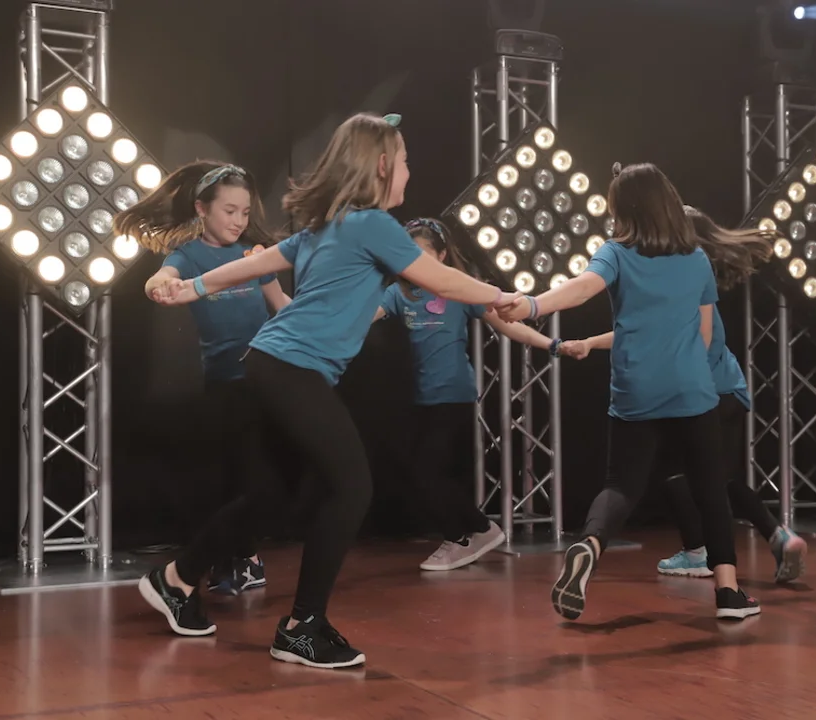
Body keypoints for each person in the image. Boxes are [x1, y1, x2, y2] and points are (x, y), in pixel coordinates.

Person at [138, 113, 520, 669]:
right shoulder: (372, 225)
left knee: (272, 497)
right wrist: (502, 295)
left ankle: (176, 579)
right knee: (351, 487)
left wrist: (193, 286)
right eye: (405, 160)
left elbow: (258, 263)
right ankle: (302, 627)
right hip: (290, 368)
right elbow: (438, 278)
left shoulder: (330, 226)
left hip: (269, 363)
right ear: (382, 165)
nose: (410, 171)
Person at [499, 163, 761, 620]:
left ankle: (590, 544)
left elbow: (582, 289)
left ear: (624, 210)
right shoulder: (696, 258)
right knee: (709, 490)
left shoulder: (616, 254)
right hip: (691, 390)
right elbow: (704, 336)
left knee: (621, 486)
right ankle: (728, 593)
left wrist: (533, 304)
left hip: (636, 390)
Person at [562, 206, 807, 584]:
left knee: (674, 473)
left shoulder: (681, 284)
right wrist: (591, 343)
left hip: (698, 396)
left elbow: (646, 334)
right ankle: (778, 535)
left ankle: (698, 552)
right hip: (730, 390)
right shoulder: (694, 281)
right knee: (718, 479)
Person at [115, 161, 290, 595]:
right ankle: (233, 559)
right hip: (223, 385)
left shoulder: (253, 255)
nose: (239, 221)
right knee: (228, 476)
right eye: (229, 211)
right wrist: (158, 285)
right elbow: (163, 276)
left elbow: (282, 304)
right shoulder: (190, 254)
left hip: (265, 379)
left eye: (245, 212)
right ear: (201, 208)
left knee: (258, 474)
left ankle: (247, 559)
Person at [374, 217, 564, 571]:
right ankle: (468, 534)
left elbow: (510, 326)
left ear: (442, 255)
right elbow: (361, 318)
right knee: (422, 474)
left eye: (423, 254)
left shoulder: (459, 290)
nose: (415, 263)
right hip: (422, 398)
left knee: (428, 473)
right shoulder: (399, 293)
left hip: (455, 393)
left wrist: (552, 344)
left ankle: (473, 532)